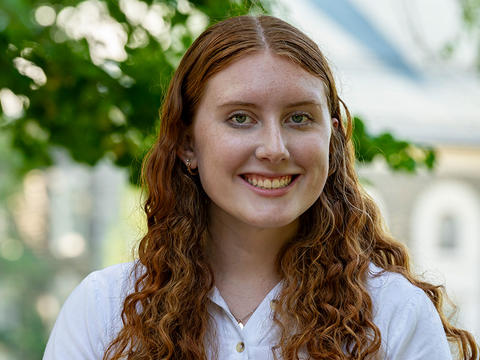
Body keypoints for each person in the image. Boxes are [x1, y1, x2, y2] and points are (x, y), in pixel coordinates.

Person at [43, 15, 478, 360]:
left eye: (299, 117)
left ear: (332, 136)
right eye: (240, 118)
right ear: (187, 143)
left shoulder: (395, 315)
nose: (274, 148)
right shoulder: (104, 312)